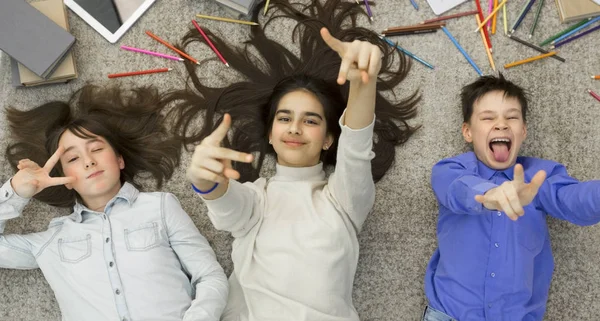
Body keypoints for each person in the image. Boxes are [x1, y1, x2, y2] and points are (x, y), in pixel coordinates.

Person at [166, 1, 420, 320]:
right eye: (284, 118)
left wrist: (363, 82)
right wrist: (205, 181)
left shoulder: (343, 199)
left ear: (328, 138)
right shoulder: (257, 199)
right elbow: (228, 205)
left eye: (311, 121)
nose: (296, 127)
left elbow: (356, 147)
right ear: (270, 134)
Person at [0, 85, 228, 321]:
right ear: (65, 180)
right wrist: (17, 192)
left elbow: (210, 276)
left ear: (119, 160)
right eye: (74, 158)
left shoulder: (160, 207)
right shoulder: (53, 239)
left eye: (97, 149)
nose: (88, 161)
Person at [424, 74, 600, 321]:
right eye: (488, 118)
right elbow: (456, 189)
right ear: (467, 132)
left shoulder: (541, 175)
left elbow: (573, 199)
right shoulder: (450, 168)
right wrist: (489, 195)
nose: (501, 124)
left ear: (523, 131)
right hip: (449, 314)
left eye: (512, 117)